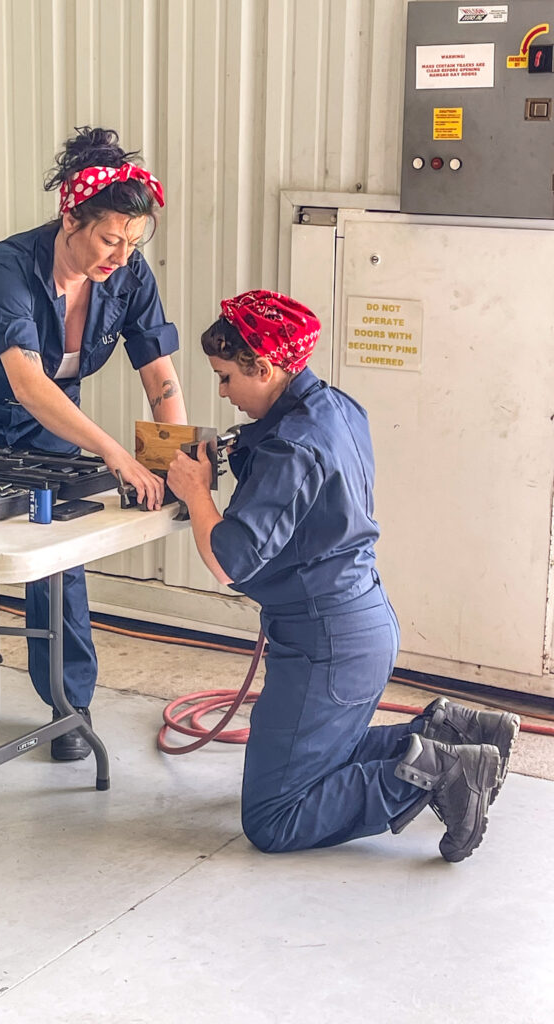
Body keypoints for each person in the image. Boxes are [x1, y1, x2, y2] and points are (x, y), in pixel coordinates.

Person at [166, 290, 519, 861]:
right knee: (318, 757)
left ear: (266, 366)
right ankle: (456, 733)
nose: (224, 392)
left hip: (324, 644)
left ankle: (446, 774)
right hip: (357, 623)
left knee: (273, 817)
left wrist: (196, 493)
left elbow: (229, 559)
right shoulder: (335, 406)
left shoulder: (293, 446)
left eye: (228, 377)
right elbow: (307, 496)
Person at [0, 126, 187, 758]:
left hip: (48, 418)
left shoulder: (128, 274)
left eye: (133, 242)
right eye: (110, 239)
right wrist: (116, 455)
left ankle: (68, 704)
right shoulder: (7, 265)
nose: (120, 256)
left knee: (58, 552)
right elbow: (29, 382)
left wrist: (175, 454)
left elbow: (158, 370)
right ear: (72, 217)